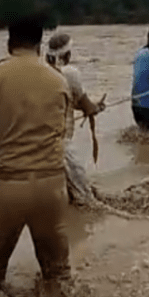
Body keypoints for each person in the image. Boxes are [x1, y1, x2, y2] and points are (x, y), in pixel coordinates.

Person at [0, 14, 71, 297]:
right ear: (40, 45)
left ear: (9, 43)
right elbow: (63, 130)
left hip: (8, 186)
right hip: (52, 186)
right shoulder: (59, 80)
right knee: (57, 277)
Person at [45, 32, 105, 205]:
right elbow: (88, 107)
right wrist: (97, 107)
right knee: (85, 200)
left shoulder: (43, 71)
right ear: (68, 55)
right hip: (62, 143)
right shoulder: (70, 73)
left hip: (41, 143)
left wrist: (89, 106)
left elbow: (69, 101)